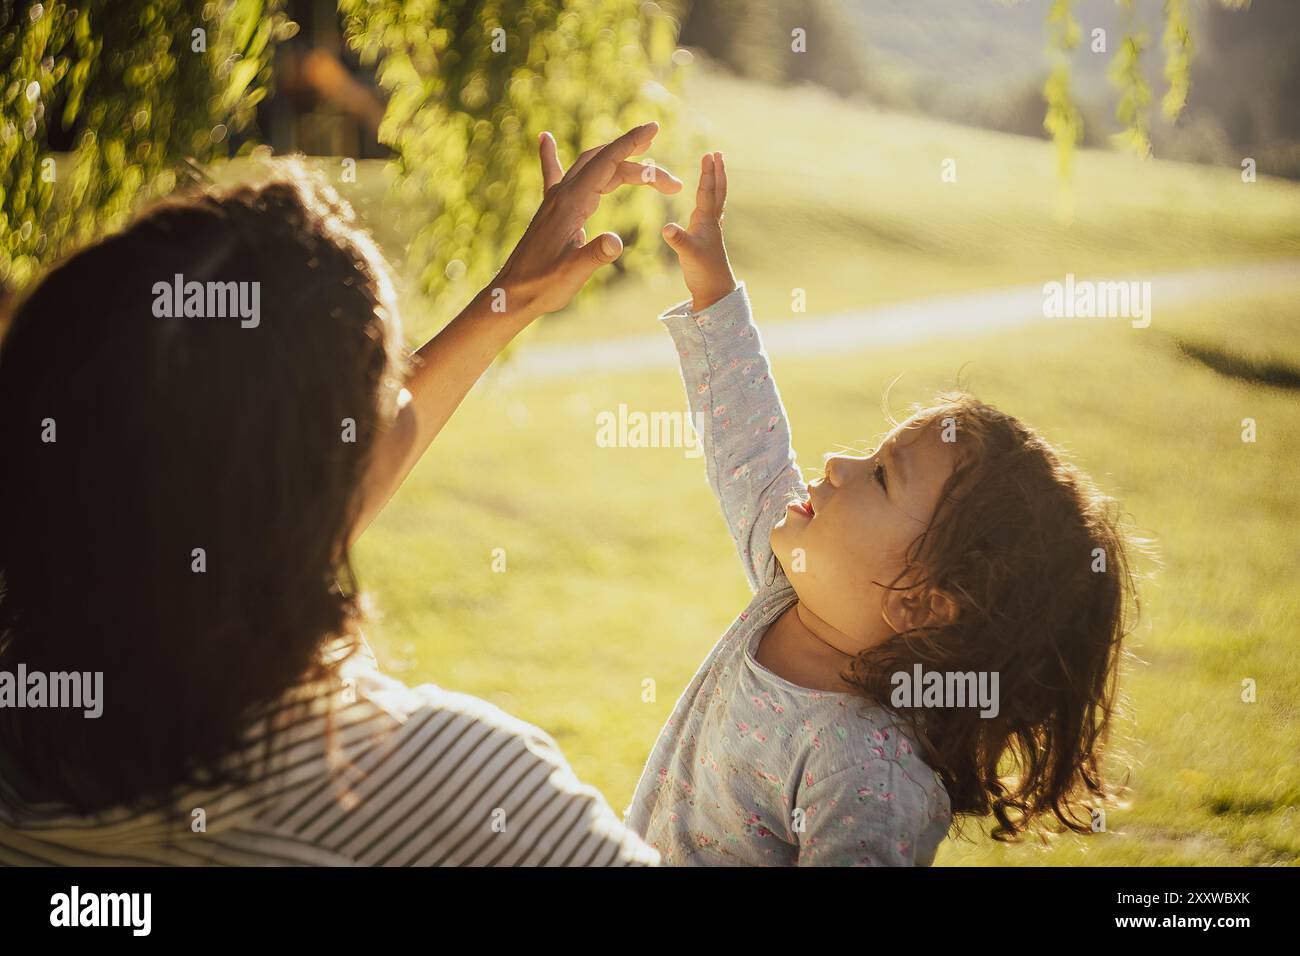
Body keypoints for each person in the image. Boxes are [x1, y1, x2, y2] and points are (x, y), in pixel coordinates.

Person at [0, 124, 680, 866]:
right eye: (386, 386)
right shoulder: (457, 799)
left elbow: (260, 496)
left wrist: (506, 301)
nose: (397, 407)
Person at [624, 152, 1139, 865]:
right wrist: (712, 283)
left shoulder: (870, 772)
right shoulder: (790, 585)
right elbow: (745, 437)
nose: (838, 463)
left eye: (882, 479)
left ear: (927, 605)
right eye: (872, 456)